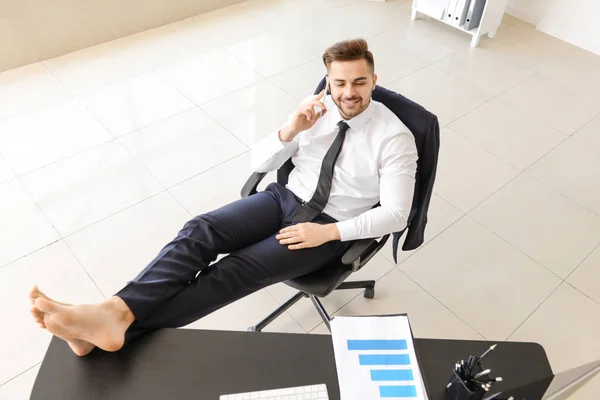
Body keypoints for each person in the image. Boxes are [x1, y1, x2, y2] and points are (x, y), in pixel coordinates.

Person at [29, 38, 418, 356]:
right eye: (339, 83)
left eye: (359, 83)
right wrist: (291, 129)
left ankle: (113, 331)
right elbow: (260, 161)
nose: (348, 93)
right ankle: (112, 313)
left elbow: (398, 214)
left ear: (373, 79)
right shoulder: (316, 108)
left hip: (327, 225)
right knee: (200, 230)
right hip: (283, 197)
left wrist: (329, 235)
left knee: (233, 271)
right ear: (328, 81)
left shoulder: (394, 137)